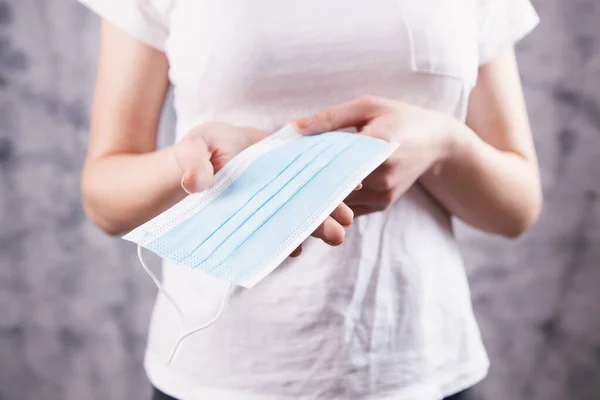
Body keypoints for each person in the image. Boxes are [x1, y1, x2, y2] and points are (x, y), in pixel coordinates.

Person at [78, 0, 542, 399]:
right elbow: (105, 198)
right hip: (218, 375)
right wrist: (200, 163)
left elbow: (517, 208)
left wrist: (445, 146)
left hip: (421, 369)